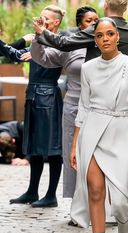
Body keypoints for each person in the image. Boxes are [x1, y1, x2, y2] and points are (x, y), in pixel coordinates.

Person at [69, 17, 128, 233]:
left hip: (119, 130)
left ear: (117, 37)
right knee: (95, 190)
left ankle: (123, 222)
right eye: (99, 35)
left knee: (120, 200)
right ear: (95, 40)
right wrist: (75, 144)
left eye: (110, 34)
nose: (105, 39)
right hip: (92, 129)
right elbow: (82, 107)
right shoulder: (87, 68)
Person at [0, 5, 65, 208]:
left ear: (56, 23)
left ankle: (51, 195)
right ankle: (32, 191)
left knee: (54, 148)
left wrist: (35, 49)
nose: (41, 20)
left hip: (48, 96)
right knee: (34, 145)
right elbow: (16, 55)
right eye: (40, 17)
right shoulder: (38, 42)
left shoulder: (60, 44)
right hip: (34, 96)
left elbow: (47, 58)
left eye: (46, 18)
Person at [30, 6, 98, 200]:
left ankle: (99, 202)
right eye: (88, 20)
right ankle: (77, 202)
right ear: (79, 24)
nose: (94, 23)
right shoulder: (69, 45)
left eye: (96, 19)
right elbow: (42, 57)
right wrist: (38, 37)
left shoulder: (105, 43)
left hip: (99, 107)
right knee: (72, 153)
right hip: (74, 106)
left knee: (97, 155)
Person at [33, 0, 128, 63]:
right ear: (125, 8)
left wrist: (43, 32)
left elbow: (64, 43)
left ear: (105, 5)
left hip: (97, 92)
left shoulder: (98, 30)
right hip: (124, 97)